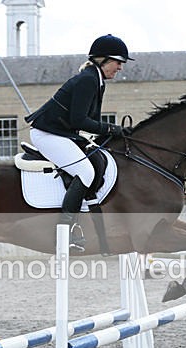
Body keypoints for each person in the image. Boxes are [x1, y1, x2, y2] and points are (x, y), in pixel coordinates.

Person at [25, 34, 134, 251]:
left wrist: (108, 133)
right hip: (48, 134)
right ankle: (65, 232)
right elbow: (79, 120)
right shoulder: (88, 79)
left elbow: (89, 121)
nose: (120, 67)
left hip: (61, 133)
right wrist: (113, 129)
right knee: (85, 172)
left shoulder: (96, 79)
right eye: (117, 62)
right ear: (103, 60)